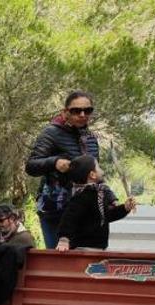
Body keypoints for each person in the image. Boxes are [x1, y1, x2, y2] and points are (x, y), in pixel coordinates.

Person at [26, 91, 100, 249]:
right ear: (65, 112)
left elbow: (95, 174)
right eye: (76, 110)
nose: (82, 114)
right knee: (58, 262)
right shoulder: (51, 133)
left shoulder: (91, 138)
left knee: (84, 264)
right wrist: (55, 162)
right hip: (55, 210)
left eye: (87, 110)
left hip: (84, 211)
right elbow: (31, 166)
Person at [56, 156, 136, 251]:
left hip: (99, 247)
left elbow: (106, 216)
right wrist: (64, 239)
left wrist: (124, 208)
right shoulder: (80, 196)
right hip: (82, 248)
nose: (101, 170)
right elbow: (68, 219)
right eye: (98, 167)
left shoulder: (99, 194)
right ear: (92, 175)